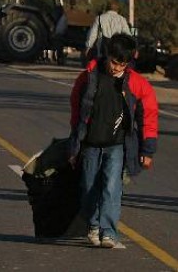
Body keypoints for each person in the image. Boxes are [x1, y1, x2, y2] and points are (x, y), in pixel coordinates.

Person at [68, 33, 158, 249]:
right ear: (107, 55)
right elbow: (76, 110)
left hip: (117, 145)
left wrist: (148, 150)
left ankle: (108, 232)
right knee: (89, 187)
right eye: (114, 62)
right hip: (90, 144)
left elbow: (148, 116)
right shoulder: (89, 77)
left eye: (122, 64)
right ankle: (93, 225)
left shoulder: (137, 84)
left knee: (111, 187)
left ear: (128, 63)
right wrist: (74, 145)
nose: (116, 68)